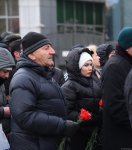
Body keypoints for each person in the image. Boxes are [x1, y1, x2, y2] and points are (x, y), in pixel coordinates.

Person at [9, 32, 79, 150]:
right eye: (46, 48)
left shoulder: (43, 75)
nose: (52, 51)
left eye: (51, 47)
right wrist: (61, 125)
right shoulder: (23, 78)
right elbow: (25, 117)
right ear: (31, 55)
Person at [61, 45, 102, 150]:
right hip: (79, 136)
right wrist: (89, 117)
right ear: (77, 67)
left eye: (91, 64)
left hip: (97, 133)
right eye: (86, 65)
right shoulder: (69, 86)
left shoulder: (95, 81)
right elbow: (67, 112)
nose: (90, 68)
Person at [101, 27, 132, 150]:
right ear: (128, 47)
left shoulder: (125, 63)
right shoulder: (115, 66)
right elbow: (115, 105)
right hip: (121, 139)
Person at [0, 47, 15, 136]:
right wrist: (3, 111)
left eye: (9, 72)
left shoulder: (1, 83)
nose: (7, 76)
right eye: (5, 71)